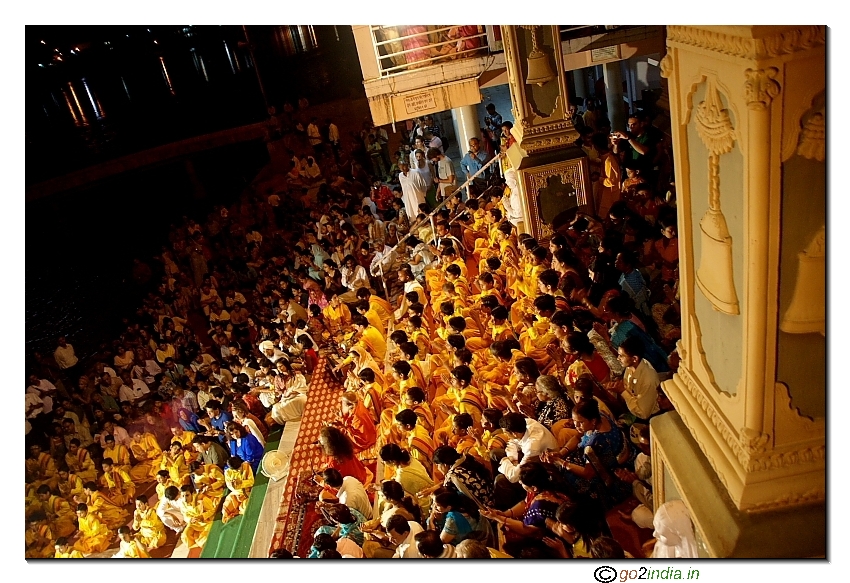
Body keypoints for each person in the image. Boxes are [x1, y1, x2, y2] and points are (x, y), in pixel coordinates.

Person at [222, 455, 255, 524]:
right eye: (236, 470)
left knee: (246, 508)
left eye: (239, 468)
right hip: (236, 494)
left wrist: (241, 482)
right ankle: (235, 509)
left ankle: (239, 510)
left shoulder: (246, 466)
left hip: (247, 493)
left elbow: (251, 482)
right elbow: (229, 486)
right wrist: (233, 486)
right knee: (226, 508)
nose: (238, 470)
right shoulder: (227, 472)